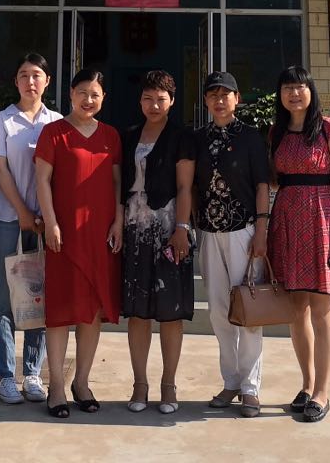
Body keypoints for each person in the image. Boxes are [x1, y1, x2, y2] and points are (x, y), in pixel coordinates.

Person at [267, 66, 330, 424]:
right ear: (280, 95)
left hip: (323, 220)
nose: (294, 94)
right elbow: (272, 180)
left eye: (300, 87)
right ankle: (306, 385)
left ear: (310, 91)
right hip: (286, 219)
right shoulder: (275, 132)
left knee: (321, 309)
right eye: (287, 88)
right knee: (296, 309)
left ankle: (322, 391)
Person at [34, 69, 123, 419]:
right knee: (59, 312)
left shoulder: (111, 135)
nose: (89, 100)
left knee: (92, 310)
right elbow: (43, 180)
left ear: (104, 98)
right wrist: (51, 222)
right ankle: (56, 385)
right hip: (64, 234)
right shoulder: (53, 132)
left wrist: (118, 220)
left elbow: (117, 183)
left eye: (95, 94)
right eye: (83, 92)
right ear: (70, 94)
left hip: (100, 234)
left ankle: (81, 383)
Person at [192, 71, 271, 419]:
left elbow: (262, 184)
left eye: (226, 94)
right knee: (218, 310)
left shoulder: (251, 137)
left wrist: (262, 229)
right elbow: (192, 185)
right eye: (213, 95)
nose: (219, 100)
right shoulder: (198, 138)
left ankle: (251, 388)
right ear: (206, 101)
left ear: (237, 99)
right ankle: (231, 381)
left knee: (249, 310)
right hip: (210, 233)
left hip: (244, 231)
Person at [119, 70, 196, 414]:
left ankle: (168, 384)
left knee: (169, 310)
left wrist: (182, 227)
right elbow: (119, 185)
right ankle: (140, 384)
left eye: (161, 99)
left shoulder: (181, 136)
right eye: (148, 98)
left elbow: (185, 187)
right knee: (138, 311)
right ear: (140, 101)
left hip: (168, 228)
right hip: (134, 228)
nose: (154, 105)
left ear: (172, 101)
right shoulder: (128, 136)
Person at [0, 53, 59, 404]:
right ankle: (4, 375)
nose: (30, 81)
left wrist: (46, 216)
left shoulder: (56, 121)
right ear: (16, 81)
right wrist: (23, 212)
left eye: (36, 75)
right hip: (8, 219)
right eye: (24, 75)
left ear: (47, 81)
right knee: (3, 297)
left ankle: (32, 372)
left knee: (38, 295)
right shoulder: (2, 120)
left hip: (44, 223)